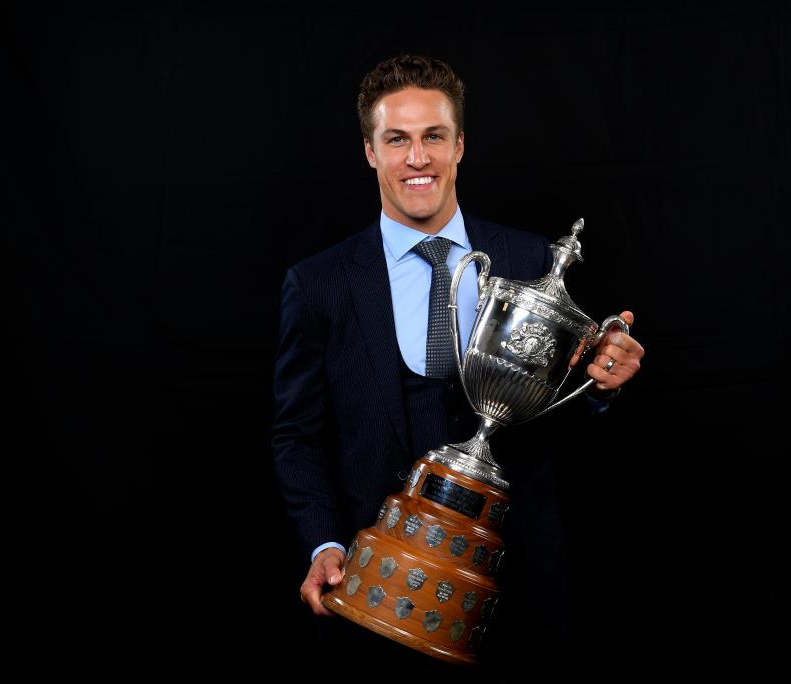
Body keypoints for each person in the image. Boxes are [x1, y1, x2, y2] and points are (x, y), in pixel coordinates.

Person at [271, 54, 645, 673]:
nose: (418, 159)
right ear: (370, 151)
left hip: (520, 585)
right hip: (377, 586)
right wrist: (325, 541)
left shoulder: (529, 258)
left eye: (433, 137)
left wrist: (600, 385)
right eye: (397, 140)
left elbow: (559, 423)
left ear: (460, 145)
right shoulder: (319, 283)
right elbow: (296, 435)